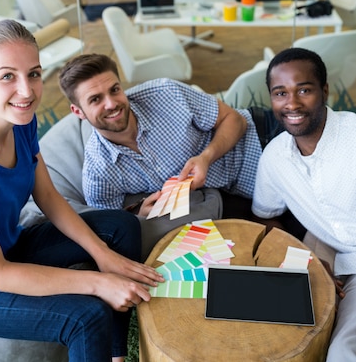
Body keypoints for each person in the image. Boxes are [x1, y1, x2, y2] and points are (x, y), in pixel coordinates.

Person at [0, 19, 163, 362]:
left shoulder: (21, 119)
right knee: (85, 315)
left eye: (34, 74)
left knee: (121, 226)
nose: (26, 91)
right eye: (7, 77)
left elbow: (48, 197)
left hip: (11, 246)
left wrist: (102, 255)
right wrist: (98, 282)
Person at [58, 53, 266, 258]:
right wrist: (139, 214)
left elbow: (236, 120)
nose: (111, 103)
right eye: (96, 99)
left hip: (261, 141)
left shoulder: (167, 93)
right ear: (78, 112)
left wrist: (206, 157)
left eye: (114, 90)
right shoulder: (99, 172)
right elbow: (110, 226)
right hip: (233, 194)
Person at [251, 46, 356, 362]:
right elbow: (266, 217)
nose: (291, 103)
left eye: (304, 90)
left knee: (341, 359)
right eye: (281, 93)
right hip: (336, 254)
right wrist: (310, 259)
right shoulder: (275, 158)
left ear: (324, 91)